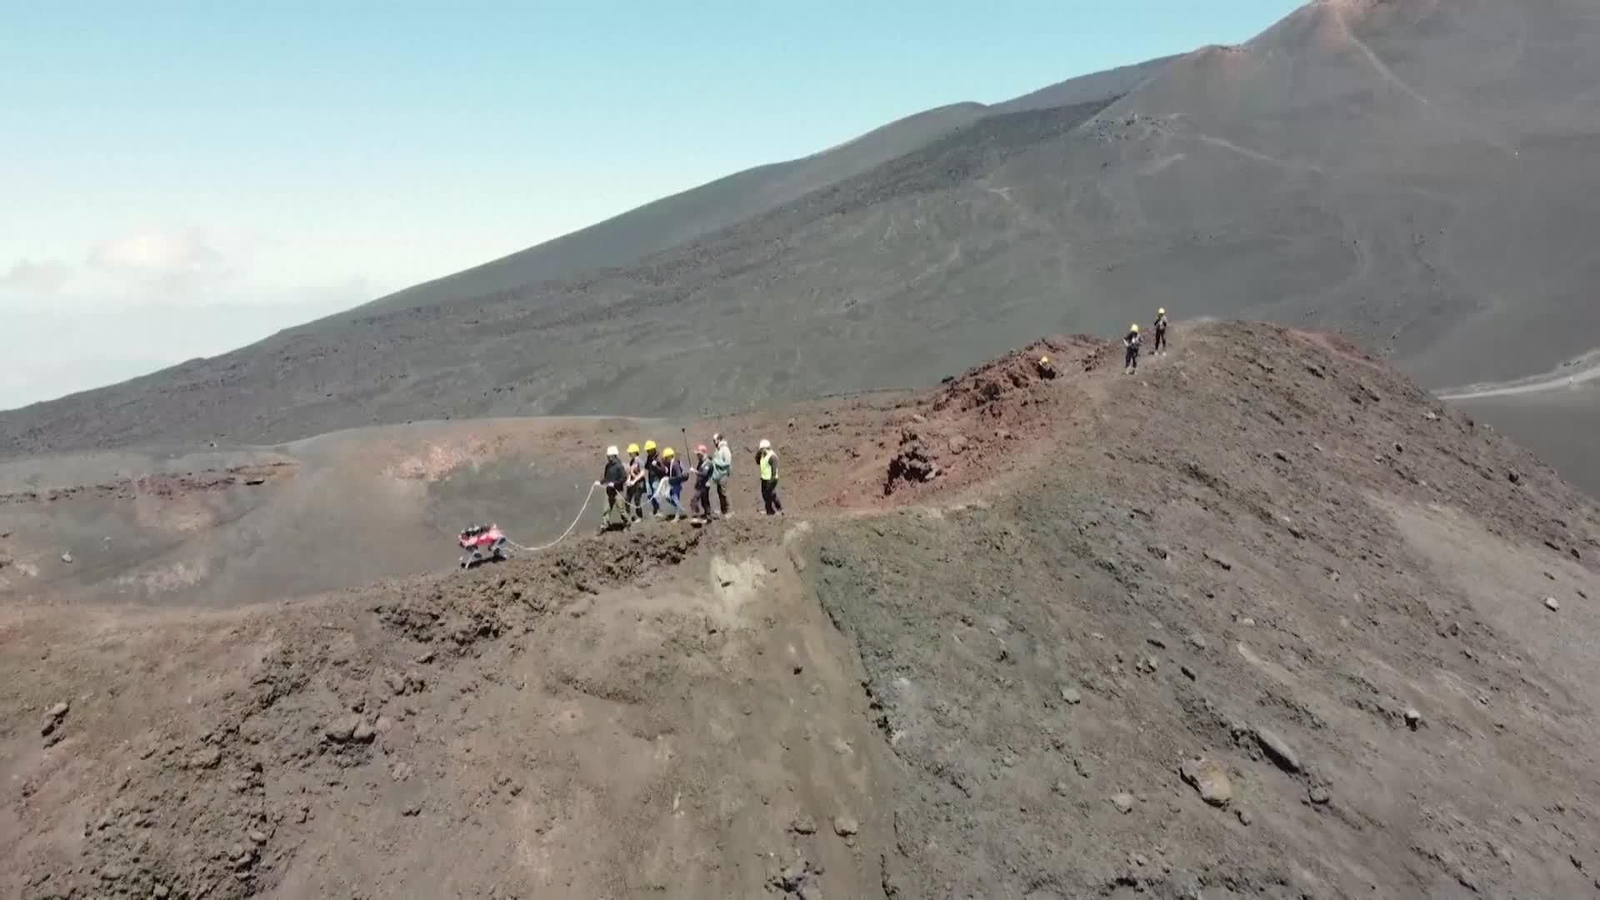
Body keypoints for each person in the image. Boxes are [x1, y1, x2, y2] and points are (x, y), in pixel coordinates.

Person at [594, 445, 631, 528]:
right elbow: (606, 478)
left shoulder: (619, 466)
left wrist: (614, 484)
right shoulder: (608, 466)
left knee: (621, 509)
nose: (608, 458)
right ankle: (605, 524)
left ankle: (627, 523)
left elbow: (624, 478)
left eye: (609, 456)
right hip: (608, 490)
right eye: (608, 456)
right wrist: (600, 482)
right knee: (606, 509)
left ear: (614, 456)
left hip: (618, 491)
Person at [756, 438, 783, 516]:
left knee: (771, 494)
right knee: (765, 495)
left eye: (762, 449)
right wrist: (758, 455)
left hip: (771, 479)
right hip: (764, 478)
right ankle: (769, 510)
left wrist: (772, 479)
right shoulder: (763, 455)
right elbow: (758, 462)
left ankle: (779, 508)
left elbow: (774, 469)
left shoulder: (772, 456)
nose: (761, 450)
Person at [660, 446, 688, 520]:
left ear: (669, 456)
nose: (665, 459)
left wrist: (670, 479)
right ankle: (680, 510)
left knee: (675, 499)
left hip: (676, 485)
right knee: (669, 498)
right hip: (674, 484)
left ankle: (677, 516)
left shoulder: (675, 464)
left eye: (666, 457)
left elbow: (679, 476)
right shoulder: (672, 463)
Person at [711, 433, 733, 517]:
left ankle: (729, 511)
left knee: (724, 493)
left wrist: (716, 462)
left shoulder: (725, 449)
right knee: (720, 493)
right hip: (718, 475)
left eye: (715, 440)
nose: (714, 442)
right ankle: (723, 510)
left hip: (723, 474)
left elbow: (727, 462)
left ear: (719, 439)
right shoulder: (718, 449)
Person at [624, 443, 647, 522]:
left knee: (637, 500)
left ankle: (640, 517)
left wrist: (634, 481)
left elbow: (642, 473)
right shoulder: (632, 461)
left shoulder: (639, 461)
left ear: (634, 452)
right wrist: (628, 480)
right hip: (632, 483)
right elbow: (630, 472)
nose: (629, 453)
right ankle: (628, 516)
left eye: (630, 452)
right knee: (627, 499)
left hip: (639, 483)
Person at [691, 444, 714, 523]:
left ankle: (695, 517)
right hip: (700, 485)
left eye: (698, 454)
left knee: (694, 500)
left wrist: (695, 471)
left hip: (704, 486)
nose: (697, 456)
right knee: (704, 501)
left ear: (702, 453)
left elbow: (704, 474)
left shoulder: (708, 463)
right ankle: (708, 516)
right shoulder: (701, 462)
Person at [642, 440, 664, 517]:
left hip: (657, 479)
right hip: (650, 478)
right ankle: (655, 510)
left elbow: (663, 470)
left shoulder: (659, 458)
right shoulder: (649, 457)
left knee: (657, 495)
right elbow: (646, 467)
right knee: (650, 495)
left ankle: (660, 511)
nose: (647, 452)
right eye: (647, 450)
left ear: (653, 449)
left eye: (649, 450)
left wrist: (656, 465)